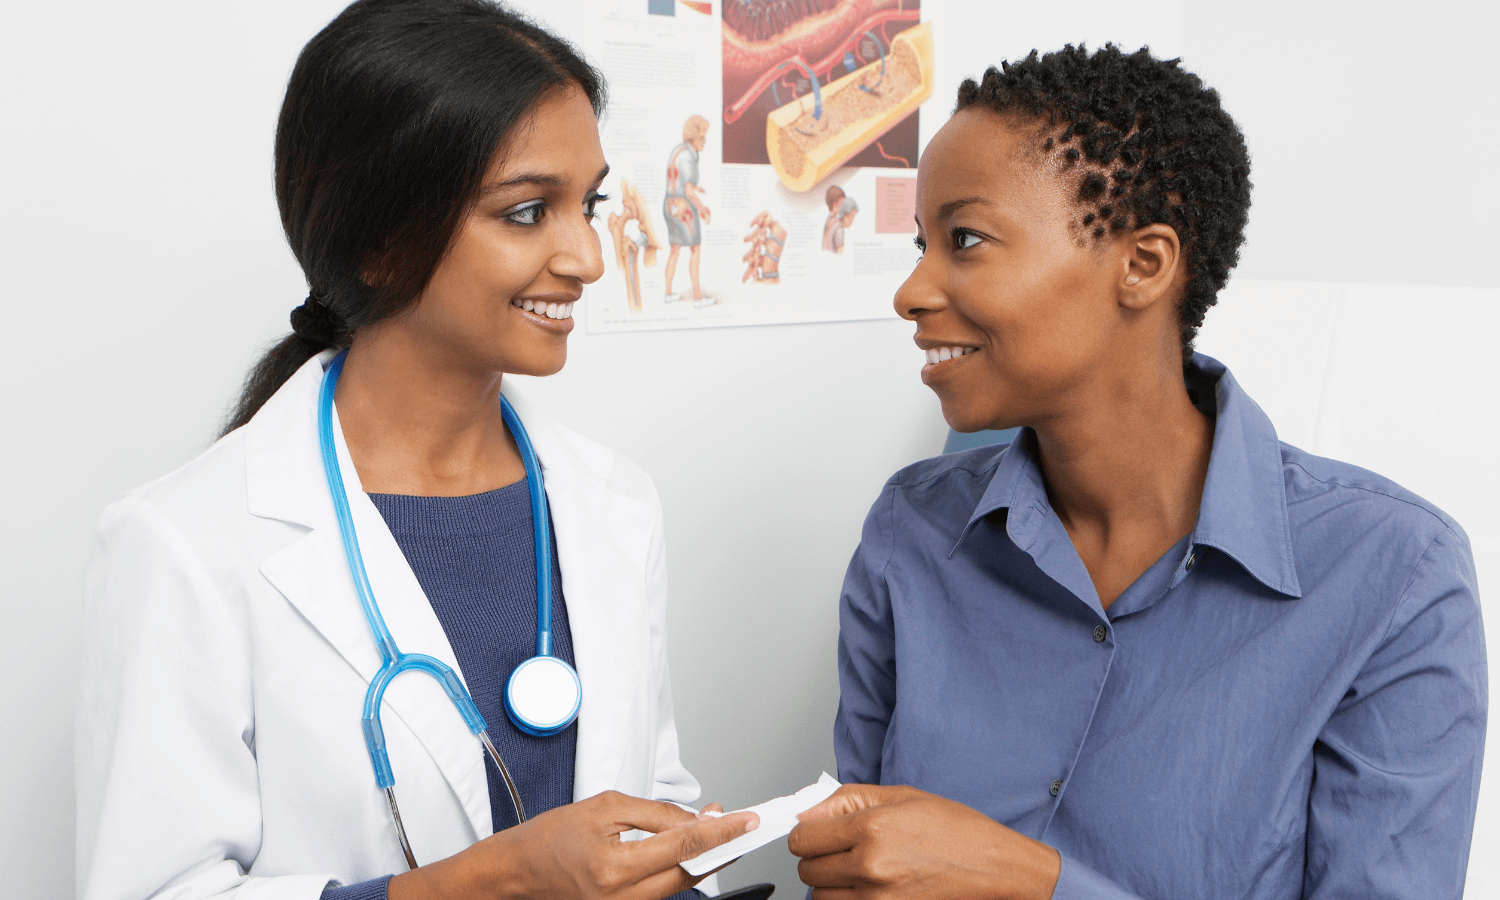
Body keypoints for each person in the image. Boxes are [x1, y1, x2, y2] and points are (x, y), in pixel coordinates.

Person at [74, 3, 756, 900]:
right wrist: (490, 883)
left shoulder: (613, 503)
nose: (588, 256)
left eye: (585, 204)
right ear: (381, 242)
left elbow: (651, 801)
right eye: (526, 212)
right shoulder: (185, 544)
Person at [789, 44, 1486, 900]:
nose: (910, 290)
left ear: (1144, 264)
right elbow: (860, 866)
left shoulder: (1395, 575)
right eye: (921, 243)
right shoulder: (911, 530)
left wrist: (1034, 882)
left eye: (963, 240)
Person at [663, 115, 713, 308]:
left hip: (669, 205)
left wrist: (694, 188)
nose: (705, 140)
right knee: (695, 249)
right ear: (693, 138)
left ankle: (668, 293)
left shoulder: (679, 150)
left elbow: (678, 181)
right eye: (702, 137)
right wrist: (703, 209)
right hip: (683, 208)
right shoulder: (688, 156)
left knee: (675, 249)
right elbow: (688, 191)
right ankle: (698, 297)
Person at [820, 186, 857, 254]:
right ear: (835, 203)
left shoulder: (828, 221)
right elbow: (840, 251)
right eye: (842, 203)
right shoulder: (838, 226)